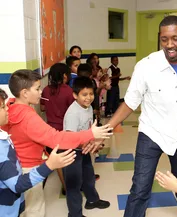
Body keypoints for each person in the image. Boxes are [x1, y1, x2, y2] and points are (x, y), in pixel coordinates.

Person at [107, 15, 177, 217]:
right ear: (160, 38)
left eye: (175, 38)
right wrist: (106, 129)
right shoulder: (146, 66)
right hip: (151, 134)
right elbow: (130, 102)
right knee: (140, 188)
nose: (170, 44)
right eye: (164, 39)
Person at [2, 69, 113, 217]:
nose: (41, 92)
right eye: (37, 88)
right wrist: (91, 134)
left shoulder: (11, 107)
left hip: (19, 165)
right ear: (24, 93)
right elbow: (57, 139)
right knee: (35, 210)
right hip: (28, 169)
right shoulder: (27, 117)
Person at [0, 88, 76, 217]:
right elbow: (17, 185)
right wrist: (49, 165)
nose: (7, 109)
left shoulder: (3, 136)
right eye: (2, 107)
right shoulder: (1, 149)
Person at [63, 77, 110, 217]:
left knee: (89, 176)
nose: (88, 98)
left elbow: (88, 129)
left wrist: (93, 142)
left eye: (91, 94)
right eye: (84, 95)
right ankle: (75, 214)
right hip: (71, 152)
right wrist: (89, 144)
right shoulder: (72, 113)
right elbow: (70, 137)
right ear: (75, 95)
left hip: (83, 149)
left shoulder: (88, 107)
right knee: (74, 185)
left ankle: (92, 200)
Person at [40, 63, 74, 195]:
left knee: (58, 160)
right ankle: (70, 187)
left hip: (50, 130)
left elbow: (42, 108)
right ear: (65, 75)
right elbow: (73, 111)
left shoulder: (46, 90)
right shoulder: (68, 91)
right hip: (65, 130)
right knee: (68, 159)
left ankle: (65, 187)